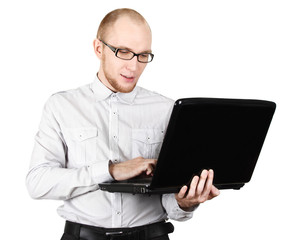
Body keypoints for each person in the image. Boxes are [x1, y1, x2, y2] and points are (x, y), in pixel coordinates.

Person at [26, 8, 220, 240]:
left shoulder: (167, 109)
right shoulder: (62, 106)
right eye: (124, 52)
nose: (134, 66)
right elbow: (38, 183)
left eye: (143, 55)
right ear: (99, 49)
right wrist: (110, 170)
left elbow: (169, 199)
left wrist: (184, 202)